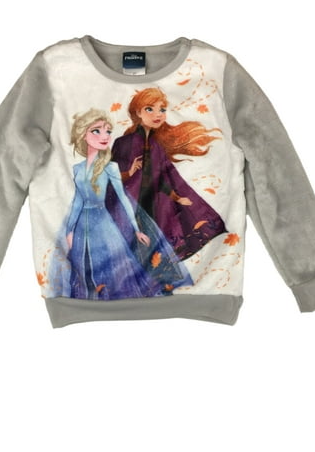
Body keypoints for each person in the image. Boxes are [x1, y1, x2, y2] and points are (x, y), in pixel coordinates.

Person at [49, 108, 191, 300]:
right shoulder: (77, 169)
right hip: (82, 225)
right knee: (83, 265)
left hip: (103, 224)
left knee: (114, 265)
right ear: (83, 134)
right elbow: (77, 201)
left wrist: (136, 230)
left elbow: (123, 199)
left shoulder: (111, 167)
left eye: (108, 131)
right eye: (97, 131)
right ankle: (90, 301)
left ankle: (116, 300)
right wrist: (69, 230)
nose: (105, 136)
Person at [111, 87, 227, 260]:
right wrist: (129, 172)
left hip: (154, 204)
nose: (157, 114)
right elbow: (111, 179)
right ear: (138, 112)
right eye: (149, 109)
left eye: (162, 109)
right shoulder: (124, 143)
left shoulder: (156, 145)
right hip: (131, 206)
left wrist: (178, 198)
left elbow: (163, 177)